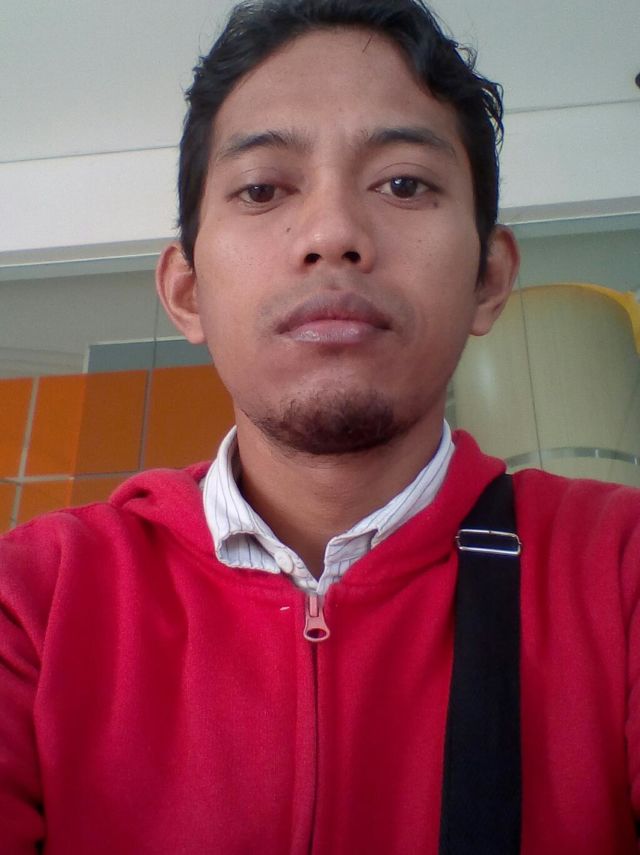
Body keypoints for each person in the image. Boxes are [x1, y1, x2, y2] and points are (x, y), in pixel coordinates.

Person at [1, 0, 639, 852]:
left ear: (488, 279)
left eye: (404, 183)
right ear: (187, 292)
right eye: (263, 189)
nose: (334, 234)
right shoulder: (33, 600)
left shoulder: (619, 571)